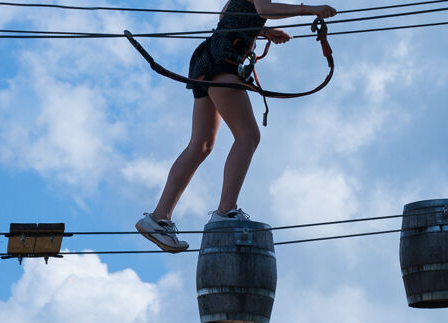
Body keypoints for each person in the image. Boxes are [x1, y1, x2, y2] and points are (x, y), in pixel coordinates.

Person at [136, 0, 338, 253]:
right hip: (223, 63)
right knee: (248, 137)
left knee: (201, 145)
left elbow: (227, 15)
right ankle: (225, 211)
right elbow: (264, 9)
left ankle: (158, 218)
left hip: (204, 62)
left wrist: (261, 31)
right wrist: (311, 9)